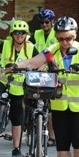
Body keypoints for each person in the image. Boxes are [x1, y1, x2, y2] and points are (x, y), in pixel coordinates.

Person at [15, 16, 79, 157]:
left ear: (75, 36)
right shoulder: (52, 51)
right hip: (59, 105)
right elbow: (32, 62)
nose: (64, 42)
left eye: (68, 38)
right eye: (60, 38)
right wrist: (14, 66)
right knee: (63, 146)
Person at [0, 20, 38, 157]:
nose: (19, 36)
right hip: (2, 79)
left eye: (22, 33)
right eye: (16, 33)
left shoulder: (31, 48)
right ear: (12, 34)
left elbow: (40, 63)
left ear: (26, 34)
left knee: (18, 117)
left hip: (18, 86)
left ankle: (16, 149)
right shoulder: (5, 44)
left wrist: (36, 72)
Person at [30, 8, 57, 145]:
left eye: (47, 22)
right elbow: (28, 47)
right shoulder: (36, 34)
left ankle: (51, 135)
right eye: (42, 22)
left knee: (49, 105)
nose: (44, 25)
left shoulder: (56, 34)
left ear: (52, 22)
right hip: (38, 70)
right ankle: (29, 130)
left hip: (52, 70)